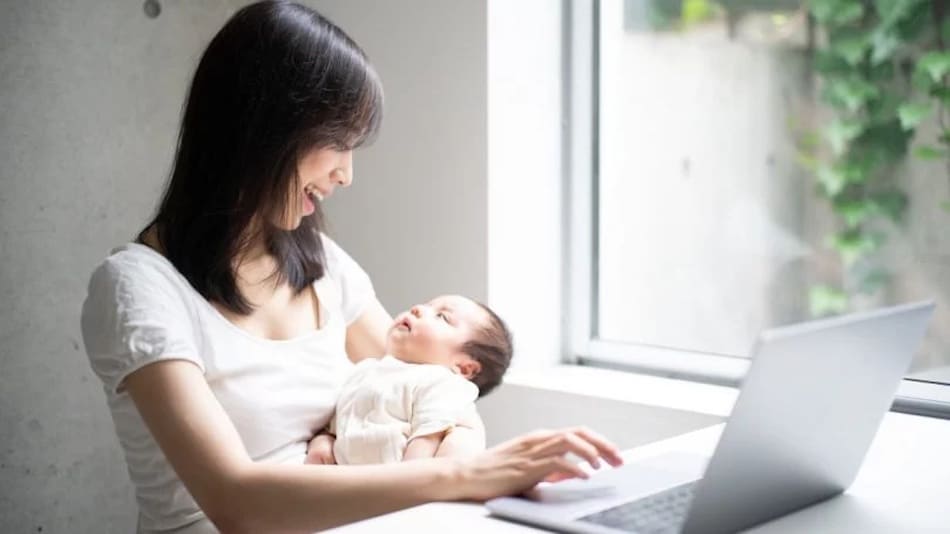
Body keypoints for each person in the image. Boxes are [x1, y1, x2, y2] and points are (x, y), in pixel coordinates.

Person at [79, 2, 623, 533]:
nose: (347, 174)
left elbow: (431, 386)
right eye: (337, 142)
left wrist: (473, 463)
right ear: (263, 128)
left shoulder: (323, 266)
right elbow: (235, 503)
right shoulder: (138, 288)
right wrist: (462, 474)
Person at [315, 295, 513, 466]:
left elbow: (429, 437)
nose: (418, 309)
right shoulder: (365, 370)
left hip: (400, 487)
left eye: (442, 316)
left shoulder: (441, 383)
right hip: (347, 486)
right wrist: (324, 440)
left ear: (463, 367)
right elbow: (339, 420)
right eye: (426, 305)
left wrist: (408, 484)